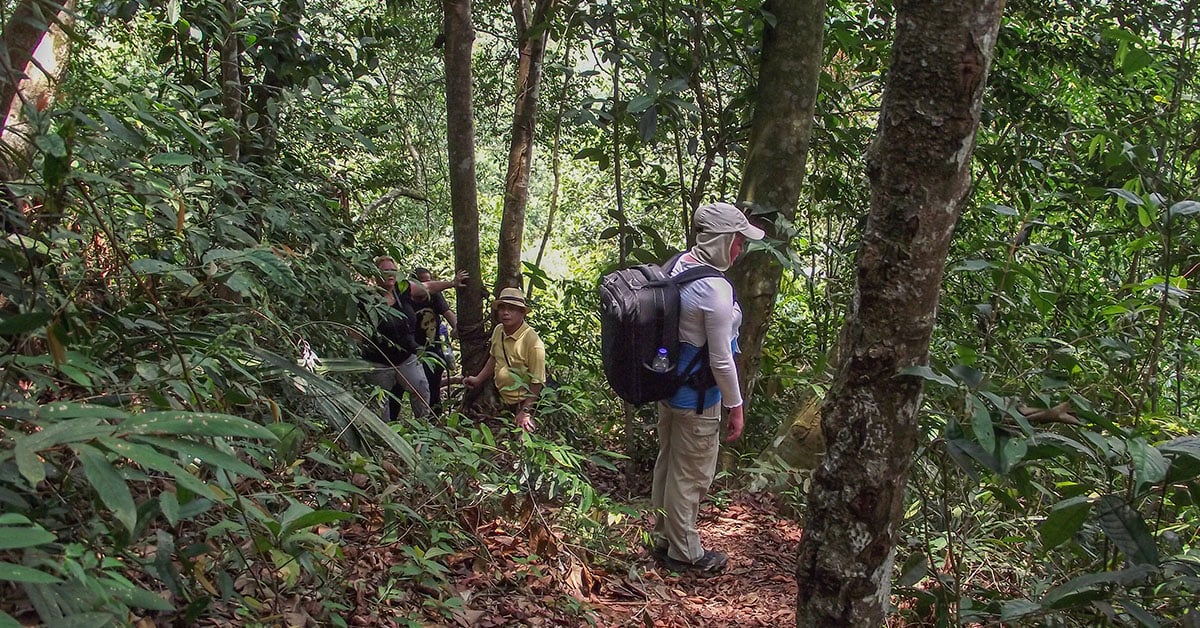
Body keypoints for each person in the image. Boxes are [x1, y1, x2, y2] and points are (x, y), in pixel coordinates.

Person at [650, 202, 764, 575]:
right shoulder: (714, 289)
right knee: (692, 475)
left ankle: (664, 536)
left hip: (669, 388)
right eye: (736, 241)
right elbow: (720, 360)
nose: (740, 250)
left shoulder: (680, 264)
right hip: (698, 399)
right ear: (721, 240)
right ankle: (685, 553)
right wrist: (736, 406)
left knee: (669, 465)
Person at [462, 287, 545, 432]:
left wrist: (525, 411)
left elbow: (537, 381)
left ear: (522, 312)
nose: (506, 313)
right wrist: (478, 379)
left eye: (512, 309)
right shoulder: (498, 330)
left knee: (522, 441)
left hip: (523, 401)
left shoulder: (532, 342)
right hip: (501, 398)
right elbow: (494, 358)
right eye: (502, 308)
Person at [361, 256, 431, 420]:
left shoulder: (403, 292)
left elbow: (428, 287)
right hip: (377, 360)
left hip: (406, 356)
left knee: (421, 388)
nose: (390, 274)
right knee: (380, 402)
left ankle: (425, 428)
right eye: (385, 271)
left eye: (393, 270)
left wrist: (452, 283)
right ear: (376, 273)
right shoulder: (367, 298)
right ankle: (384, 439)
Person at [408, 267, 464, 414]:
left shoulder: (435, 296)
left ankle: (435, 419)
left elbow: (447, 312)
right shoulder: (405, 297)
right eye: (423, 282)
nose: (427, 285)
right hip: (411, 351)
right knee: (415, 388)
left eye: (429, 281)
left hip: (433, 350)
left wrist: (456, 327)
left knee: (434, 388)